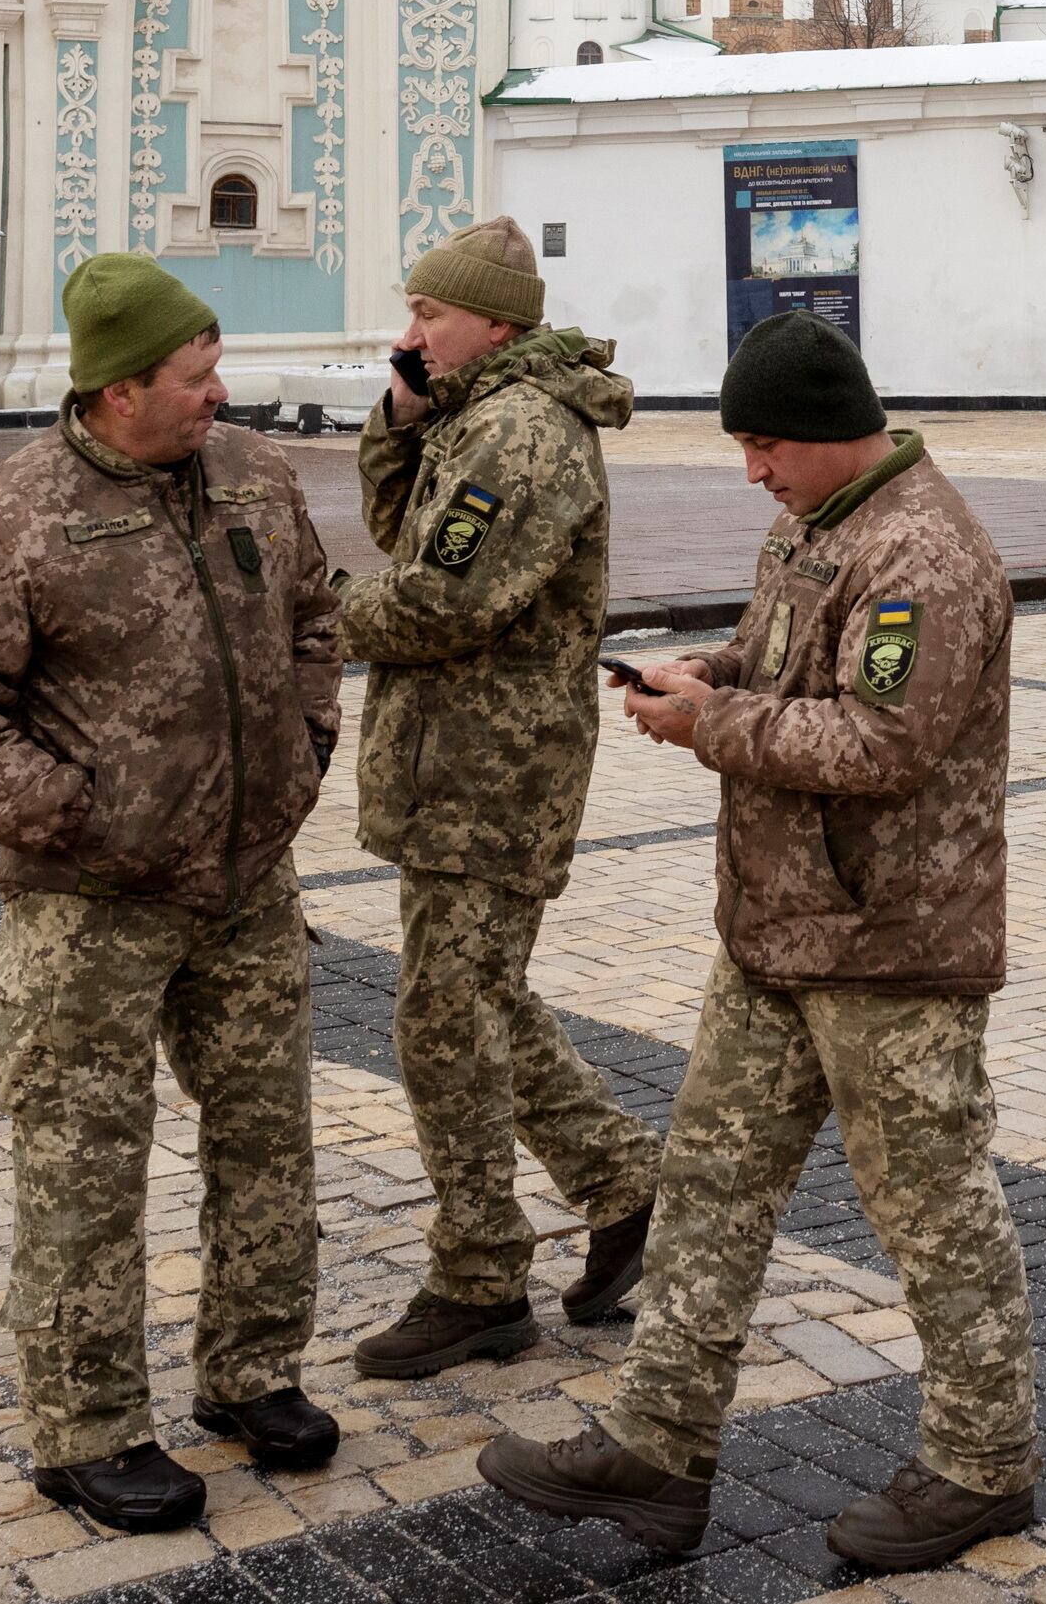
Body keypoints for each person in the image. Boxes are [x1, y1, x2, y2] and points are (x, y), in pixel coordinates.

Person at [477, 309, 1040, 1571]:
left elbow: (882, 746)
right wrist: (710, 669)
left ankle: (982, 1463)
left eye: (766, 444)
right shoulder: (820, 522)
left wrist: (712, 725)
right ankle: (657, 1447)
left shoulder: (921, 555)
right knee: (711, 1190)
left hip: (891, 950)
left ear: (840, 432)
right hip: (778, 933)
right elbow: (789, 664)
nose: (753, 471)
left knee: (935, 1215)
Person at [0, 255, 347, 1535]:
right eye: (196, 378)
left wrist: (305, 751)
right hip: (92, 909)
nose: (220, 395)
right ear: (117, 388)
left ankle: (253, 1372)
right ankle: (86, 1427)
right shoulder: (9, 518)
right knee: (86, 1168)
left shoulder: (254, 472)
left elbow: (316, 616)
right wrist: (88, 822)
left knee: (269, 1138)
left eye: (217, 371)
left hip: (249, 885)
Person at [335, 217, 662, 1378]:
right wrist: (401, 416)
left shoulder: (523, 432)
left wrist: (303, 608)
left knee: (443, 1019)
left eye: (428, 315)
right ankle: (627, 1187)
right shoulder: (477, 413)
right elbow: (407, 533)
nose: (408, 331)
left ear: (497, 323)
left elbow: (437, 605)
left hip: (494, 771)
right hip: (460, 762)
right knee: (479, 997)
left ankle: (479, 1277)